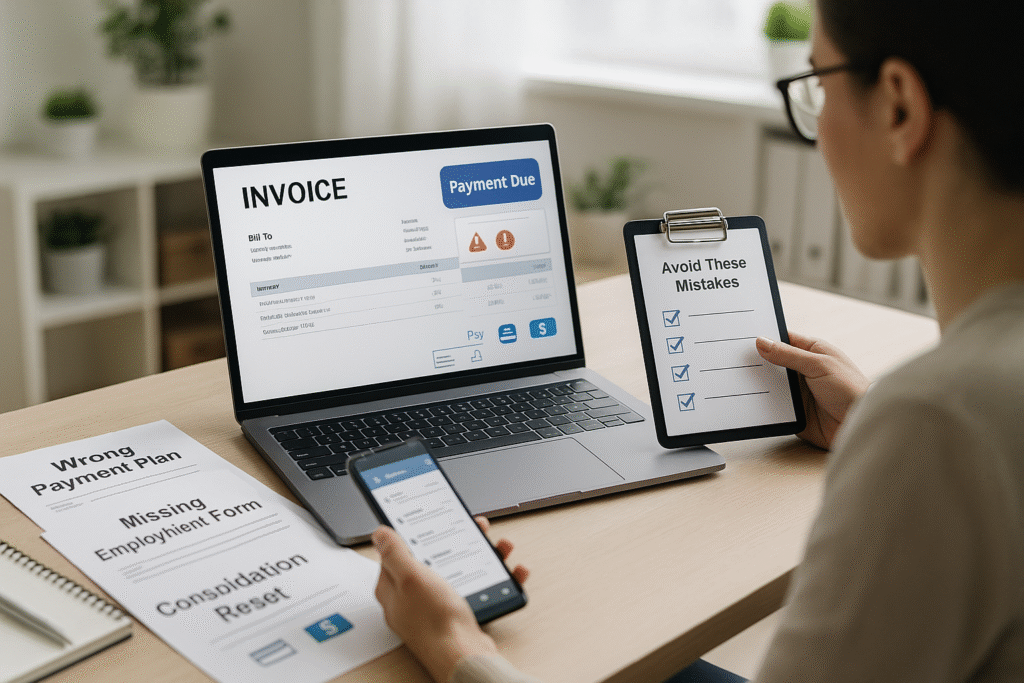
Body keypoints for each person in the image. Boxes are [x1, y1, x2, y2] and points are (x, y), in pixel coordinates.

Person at [371, 0, 1024, 680]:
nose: (817, 127)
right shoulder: (957, 411)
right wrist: (867, 423)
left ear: (899, 107)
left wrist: (457, 647)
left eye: (818, 86)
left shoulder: (941, 419)